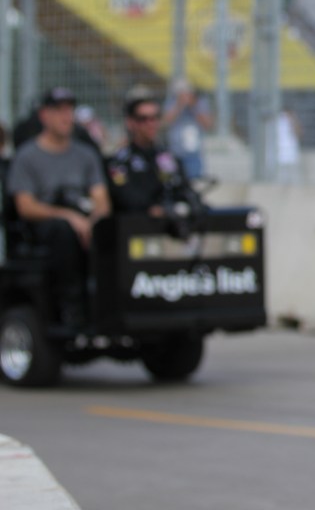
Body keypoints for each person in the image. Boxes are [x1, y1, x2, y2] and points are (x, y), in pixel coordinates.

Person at [6, 87, 111, 326]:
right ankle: (70, 306)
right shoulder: (27, 156)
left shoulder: (85, 155)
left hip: (83, 221)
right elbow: (25, 207)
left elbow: (102, 200)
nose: (66, 116)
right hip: (44, 227)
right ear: (44, 115)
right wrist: (68, 217)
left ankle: (111, 300)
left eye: (69, 110)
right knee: (63, 231)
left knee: (110, 229)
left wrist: (94, 221)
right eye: (59, 110)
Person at [106, 85, 194, 216]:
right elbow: (125, 198)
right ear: (130, 122)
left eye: (155, 117)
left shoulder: (167, 159)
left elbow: (182, 191)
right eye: (143, 119)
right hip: (133, 229)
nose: (151, 123)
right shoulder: (118, 162)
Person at [162, 78, 214, 180]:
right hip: (175, 151)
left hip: (193, 153)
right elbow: (166, 122)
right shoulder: (171, 102)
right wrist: (179, 104)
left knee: (194, 181)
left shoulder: (199, 102)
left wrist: (193, 105)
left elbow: (207, 125)